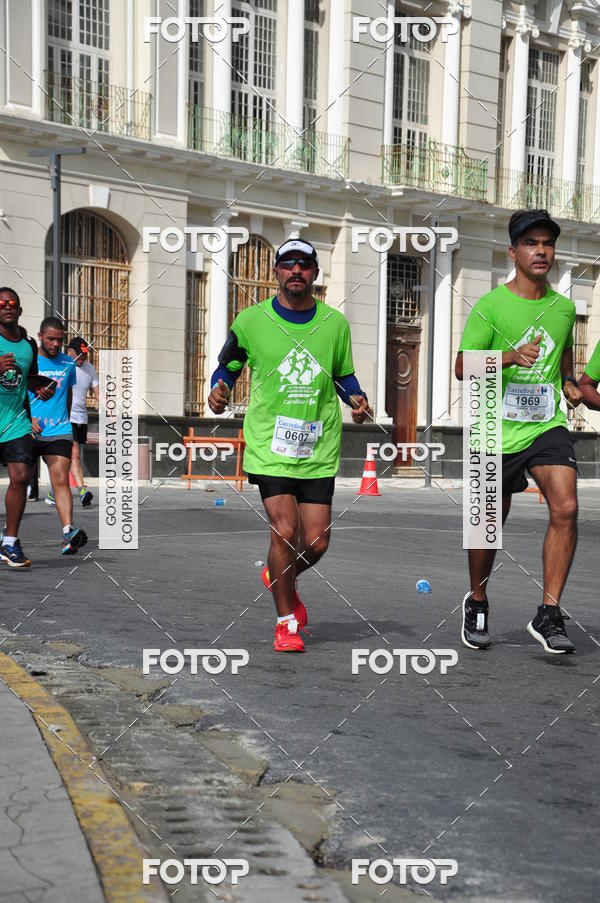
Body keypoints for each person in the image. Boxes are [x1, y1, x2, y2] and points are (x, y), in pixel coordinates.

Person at [207, 239, 371, 653]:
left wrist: (357, 398)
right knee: (285, 530)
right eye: (287, 264)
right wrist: (219, 389)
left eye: (304, 264)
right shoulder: (250, 320)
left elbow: (342, 376)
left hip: (317, 445)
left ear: (315, 273)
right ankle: (285, 624)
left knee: (316, 542)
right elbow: (227, 367)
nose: (295, 270)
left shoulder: (335, 324)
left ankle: (279, 576)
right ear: (276, 272)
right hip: (270, 442)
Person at [455, 209, 582, 654]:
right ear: (513, 252)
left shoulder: (565, 309)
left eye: (548, 243)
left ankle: (548, 613)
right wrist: (508, 357)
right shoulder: (490, 307)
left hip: (547, 423)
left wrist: (569, 383)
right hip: (495, 423)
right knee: (489, 524)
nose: (542, 250)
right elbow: (461, 367)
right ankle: (477, 600)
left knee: (566, 506)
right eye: (532, 243)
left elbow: (565, 361)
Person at [0, 288, 54, 566]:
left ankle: (9, 542)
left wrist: (40, 388)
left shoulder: (29, 344)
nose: (7, 307)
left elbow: (27, 379)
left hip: (16, 420)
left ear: (19, 311)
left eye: (12, 304)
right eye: (1, 303)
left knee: (21, 475)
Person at [29, 317, 88, 555]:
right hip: (28, 429)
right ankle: (9, 534)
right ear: (40, 336)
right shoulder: (30, 361)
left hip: (59, 430)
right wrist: (28, 417)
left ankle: (68, 532)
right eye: (50, 338)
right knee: (20, 481)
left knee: (60, 480)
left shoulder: (68, 363)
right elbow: (18, 391)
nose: (55, 344)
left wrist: (68, 423)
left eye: (60, 340)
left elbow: (69, 395)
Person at [67, 336, 99, 507]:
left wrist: (109, 408)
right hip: (68, 417)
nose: (82, 358)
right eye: (79, 354)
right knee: (75, 455)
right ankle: (82, 490)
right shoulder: (65, 366)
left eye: (84, 355)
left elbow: (98, 391)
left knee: (70, 458)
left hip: (82, 418)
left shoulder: (90, 369)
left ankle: (52, 493)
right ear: (70, 352)